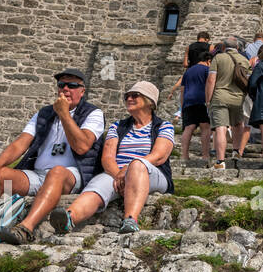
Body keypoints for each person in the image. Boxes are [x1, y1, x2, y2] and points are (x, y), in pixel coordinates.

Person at [0, 70, 104, 248]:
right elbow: (20, 143)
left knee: (57, 172)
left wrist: (65, 115)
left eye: (73, 85)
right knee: (2, 176)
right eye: (62, 85)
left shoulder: (93, 113)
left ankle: (25, 229)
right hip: (37, 174)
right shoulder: (44, 113)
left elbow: (82, 146)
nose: (66, 89)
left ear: (82, 91)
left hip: (71, 175)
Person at [49, 80, 175, 235]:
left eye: (135, 95)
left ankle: (130, 219)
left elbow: (158, 156)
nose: (129, 99)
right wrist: (120, 176)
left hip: (151, 172)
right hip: (117, 173)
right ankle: (68, 218)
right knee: (97, 188)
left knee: (138, 165)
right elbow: (107, 157)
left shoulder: (164, 126)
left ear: (150, 102)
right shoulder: (117, 126)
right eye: (127, 96)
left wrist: (129, 169)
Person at [206, 38, 251, 170]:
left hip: (220, 96)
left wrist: (208, 100)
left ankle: (220, 161)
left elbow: (211, 80)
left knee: (221, 127)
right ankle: (236, 152)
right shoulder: (245, 60)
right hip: (238, 98)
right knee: (238, 124)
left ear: (224, 47)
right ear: (237, 47)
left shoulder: (218, 58)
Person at [177, 47, 213, 162]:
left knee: (188, 128)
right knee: (205, 127)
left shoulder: (188, 71)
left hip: (188, 101)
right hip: (202, 100)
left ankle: (184, 155)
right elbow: (210, 84)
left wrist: (182, 107)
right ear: (208, 60)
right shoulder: (207, 70)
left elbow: (182, 90)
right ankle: (205, 155)